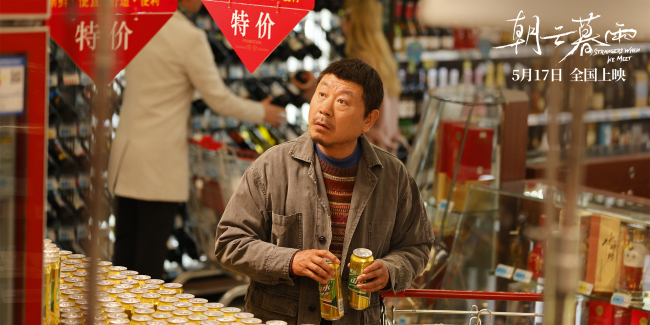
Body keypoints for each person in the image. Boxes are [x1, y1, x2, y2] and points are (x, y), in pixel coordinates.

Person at [215, 58, 433, 324]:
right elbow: (230, 242)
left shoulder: (394, 177)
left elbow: (417, 246)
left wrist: (391, 269)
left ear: (368, 120)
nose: (325, 109)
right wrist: (291, 260)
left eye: (342, 101)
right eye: (321, 94)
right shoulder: (272, 167)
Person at [107, 0, 286, 279]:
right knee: (149, 260)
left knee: (124, 251)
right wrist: (263, 112)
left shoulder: (138, 25)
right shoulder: (189, 37)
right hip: (158, 160)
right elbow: (218, 99)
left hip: (125, 155)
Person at [293, 0, 406, 155]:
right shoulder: (383, 59)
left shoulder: (359, 65)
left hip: (362, 154)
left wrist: (313, 91)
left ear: (350, 21)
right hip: (384, 152)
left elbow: (338, 109)